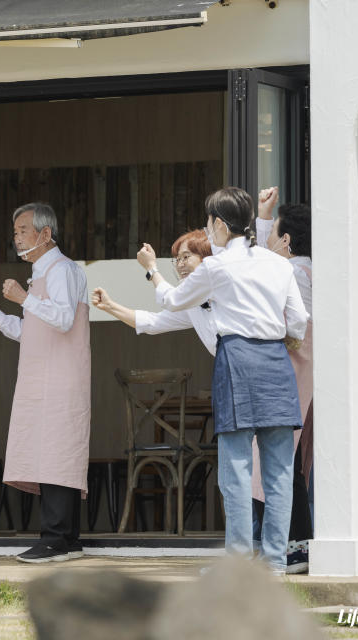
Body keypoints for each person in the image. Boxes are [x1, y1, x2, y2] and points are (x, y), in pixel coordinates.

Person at [135, 186, 308, 574]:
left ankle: (238, 566)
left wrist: (152, 270)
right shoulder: (279, 264)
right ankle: (276, 563)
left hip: (237, 360)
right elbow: (296, 321)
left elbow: (173, 301)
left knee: (237, 470)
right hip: (276, 362)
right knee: (279, 470)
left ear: (218, 224)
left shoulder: (216, 267)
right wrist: (284, 338)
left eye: (208, 222)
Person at [0, 202, 91, 563]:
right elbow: (30, 332)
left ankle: (56, 537)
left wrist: (24, 298)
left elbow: (63, 318)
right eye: (15, 232)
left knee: (57, 451)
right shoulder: (43, 273)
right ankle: (65, 538)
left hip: (60, 376)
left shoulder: (62, 269)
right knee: (50, 450)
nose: (16, 238)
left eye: (22, 231)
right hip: (44, 374)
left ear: (45, 234)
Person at [251, 186, 314, 573]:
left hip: (289, 374)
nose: (267, 239)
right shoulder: (305, 267)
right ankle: (298, 547)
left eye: (273, 231)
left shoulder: (292, 271)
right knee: (288, 464)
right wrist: (263, 216)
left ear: (286, 239)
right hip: (301, 376)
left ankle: (289, 548)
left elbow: (295, 324)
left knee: (277, 462)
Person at [91, 229, 215, 351]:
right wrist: (109, 306)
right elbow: (153, 323)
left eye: (185, 257)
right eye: (177, 259)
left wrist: (151, 268)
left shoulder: (218, 283)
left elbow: (169, 299)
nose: (180, 264)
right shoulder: (191, 303)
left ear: (207, 259)